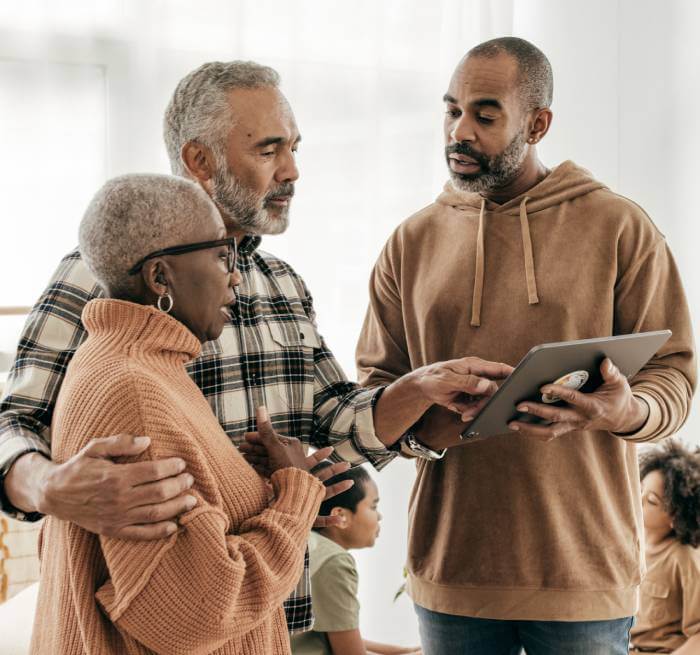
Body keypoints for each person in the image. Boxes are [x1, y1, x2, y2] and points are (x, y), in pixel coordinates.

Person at [0, 60, 510, 634]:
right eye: (269, 151)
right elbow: (13, 423)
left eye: (293, 148)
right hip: (155, 631)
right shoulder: (101, 276)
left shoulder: (283, 284)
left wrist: (420, 393)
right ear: (200, 161)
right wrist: (48, 487)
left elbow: (331, 424)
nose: (292, 171)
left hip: (273, 613)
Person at [356, 37, 696, 654]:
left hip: (585, 576)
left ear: (537, 123)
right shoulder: (410, 242)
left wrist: (623, 412)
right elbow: (373, 402)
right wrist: (428, 410)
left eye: (484, 114)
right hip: (452, 573)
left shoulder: (620, 227)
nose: (460, 130)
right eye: (451, 109)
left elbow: (674, 375)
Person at [31, 173, 327, 654]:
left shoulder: (134, 363)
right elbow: (200, 611)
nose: (235, 275)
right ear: (160, 277)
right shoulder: (135, 390)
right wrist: (295, 498)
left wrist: (257, 487)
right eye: (221, 254)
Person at [287, 464, 421, 655]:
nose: (380, 516)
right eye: (373, 506)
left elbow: (338, 633)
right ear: (340, 516)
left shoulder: (305, 544)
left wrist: (403, 651)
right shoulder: (334, 561)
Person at [630, 440, 700, 654]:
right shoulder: (630, 546)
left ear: (675, 517)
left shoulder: (684, 558)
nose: (638, 501)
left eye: (651, 501)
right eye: (639, 490)